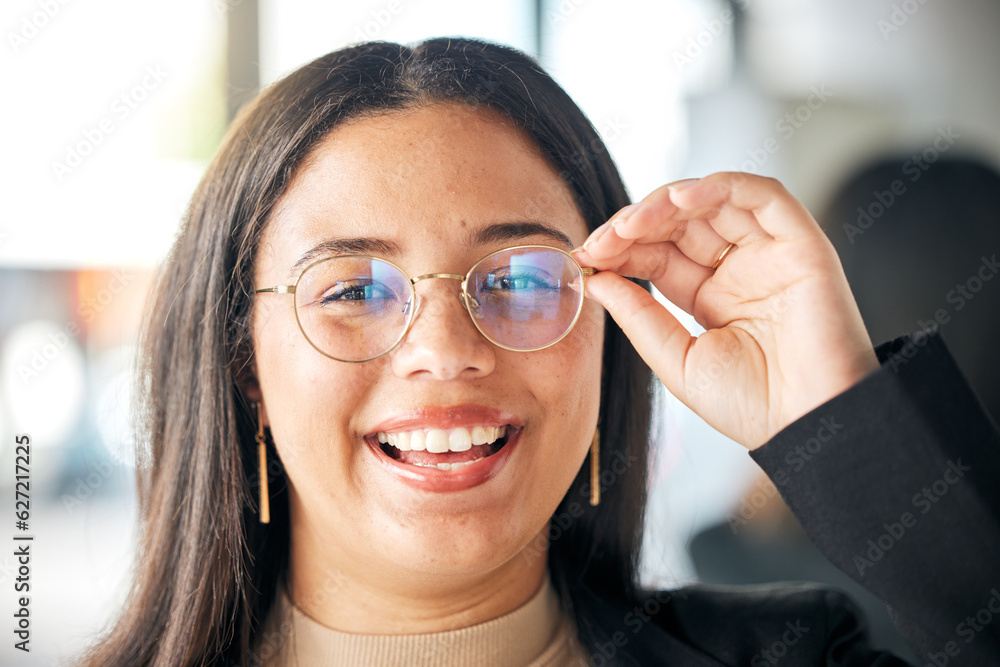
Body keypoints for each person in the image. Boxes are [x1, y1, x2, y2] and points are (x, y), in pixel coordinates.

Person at [76, 37, 1000, 666]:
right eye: (353, 289)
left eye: (518, 280)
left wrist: (843, 422)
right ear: (246, 365)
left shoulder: (792, 651)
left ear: (611, 326)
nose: (444, 350)